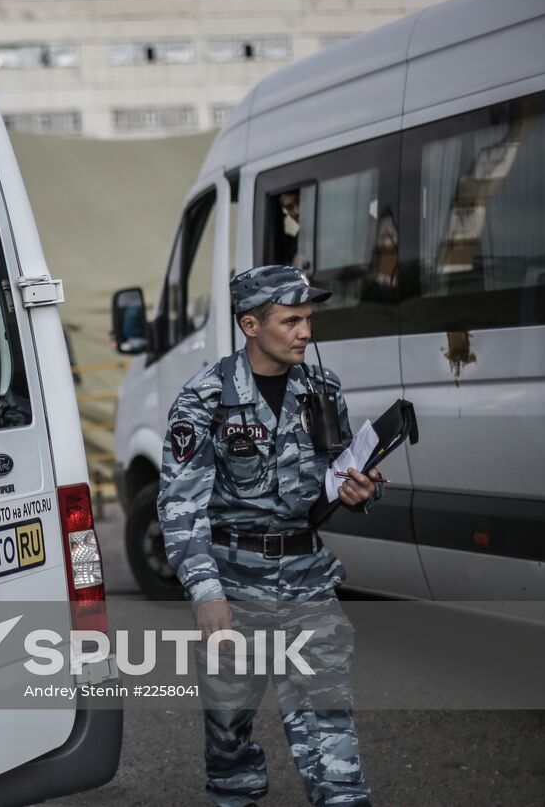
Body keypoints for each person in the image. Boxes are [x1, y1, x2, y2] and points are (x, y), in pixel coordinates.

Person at [158, 264, 382, 807]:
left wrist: (359, 489)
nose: (306, 331)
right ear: (250, 325)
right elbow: (181, 506)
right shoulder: (204, 398)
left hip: (308, 584)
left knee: (332, 738)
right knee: (229, 737)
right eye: (291, 320)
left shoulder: (323, 389)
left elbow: (336, 472)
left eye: (308, 319)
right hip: (234, 586)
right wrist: (207, 595)